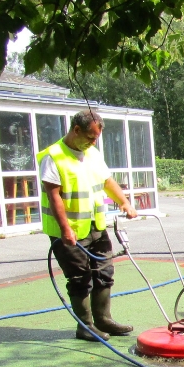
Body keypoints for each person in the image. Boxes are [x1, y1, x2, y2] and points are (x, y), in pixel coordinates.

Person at [40, 109, 138, 342]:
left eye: (96, 138)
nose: (94, 142)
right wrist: (65, 229)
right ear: (76, 130)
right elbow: (54, 196)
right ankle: (85, 326)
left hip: (95, 225)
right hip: (69, 232)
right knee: (80, 277)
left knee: (104, 272)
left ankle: (104, 320)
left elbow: (106, 181)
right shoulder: (54, 157)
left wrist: (124, 202)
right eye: (90, 137)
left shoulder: (92, 153)